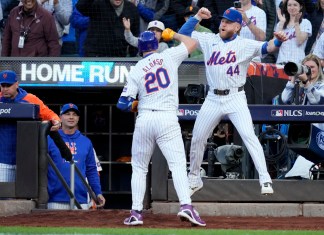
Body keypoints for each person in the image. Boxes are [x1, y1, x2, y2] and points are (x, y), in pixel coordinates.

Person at [178, 7, 288, 196]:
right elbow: (183, 34)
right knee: (197, 138)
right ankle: (194, 179)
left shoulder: (244, 44)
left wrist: (278, 39)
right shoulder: (209, 40)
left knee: (249, 136)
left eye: (228, 22)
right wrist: (197, 17)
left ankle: (265, 179)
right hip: (213, 98)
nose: (223, 24)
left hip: (235, 97)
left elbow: (267, 47)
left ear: (237, 27)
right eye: (222, 21)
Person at [117, 30, 206, 226]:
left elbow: (122, 104)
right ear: (155, 45)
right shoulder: (168, 56)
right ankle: (185, 206)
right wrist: (173, 35)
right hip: (167, 118)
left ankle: (136, 213)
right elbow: (191, 42)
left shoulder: (137, 69)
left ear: (140, 48)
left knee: (139, 168)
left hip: (145, 118)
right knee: (177, 166)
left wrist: (136, 105)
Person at [0, 70, 61, 182]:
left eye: (8, 85)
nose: (5, 89)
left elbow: (49, 114)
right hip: (3, 160)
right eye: (2, 85)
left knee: (24, 195)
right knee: (2, 196)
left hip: (25, 160)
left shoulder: (30, 99)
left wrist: (56, 121)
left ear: (17, 84)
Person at [47, 103, 106, 209]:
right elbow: (40, 167)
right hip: (55, 198)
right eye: (67, 114)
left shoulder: (86, 142)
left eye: (74, 114)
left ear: (78, 118)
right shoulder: (50, 139)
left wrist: (98, 192)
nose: (71, 117)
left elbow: (92, 170)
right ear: (60, 117)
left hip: (80, 199)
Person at [281, 54, 324, 178]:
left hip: (319, 133)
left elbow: (316, 101)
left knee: (304, 169)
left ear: (318, 68)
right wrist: (293, 78)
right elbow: (285, 99)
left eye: (312, 67)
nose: (310, 69)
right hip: (302, 132)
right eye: (306, 67)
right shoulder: (299, 85)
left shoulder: (322, 85)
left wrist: (306, 82)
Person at [275, 0, 312, 64]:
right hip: (281, 62)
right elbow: (275, 45)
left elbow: (299, 41)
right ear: (286, 7)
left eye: (295, 5)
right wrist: (281, 23)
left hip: (297, 64)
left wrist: (296, 23)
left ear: (300, 7)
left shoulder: (306, 22)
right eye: (289, 5)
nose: (292, 8)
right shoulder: (281, 23)